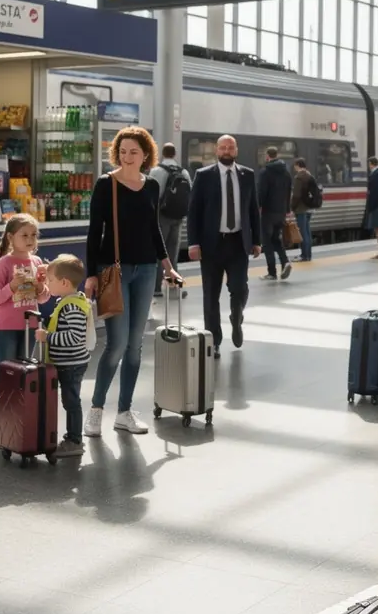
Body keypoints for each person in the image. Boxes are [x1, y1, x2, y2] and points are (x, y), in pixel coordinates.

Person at [83, 126, 183, 437]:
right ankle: (96, 411)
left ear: (145, 155)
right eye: (123, 151)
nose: (127, 157)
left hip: (146, 271)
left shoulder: (152, 186)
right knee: (116, 346)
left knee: (135, 347)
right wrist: (90, 274)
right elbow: (94, 232)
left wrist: (168, 267)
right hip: (115, 271)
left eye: (134, 152)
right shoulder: (105, 184)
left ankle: (124, 412)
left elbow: (155, 230)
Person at [188, 134, 261, 356]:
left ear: (236, 150)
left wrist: (256, 240)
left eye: (230, 147)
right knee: (211, 295)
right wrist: (193, 243)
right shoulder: (203, 176)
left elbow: (253, 210)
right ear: (216, 151)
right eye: (223, 148)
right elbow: (194, 212)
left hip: (238, 243)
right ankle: (214, 341)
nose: (227, 151)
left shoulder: (247, 175)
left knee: (239, 288)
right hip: (211, 245)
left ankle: (236, 317)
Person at [0, 214, 51, 413]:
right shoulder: (4, 264)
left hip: (29, 325)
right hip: (5, 326)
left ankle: (21, 419)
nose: (30, 239)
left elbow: (42, 298)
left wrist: (41, 287)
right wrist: (12, 286)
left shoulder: (37, 261)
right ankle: (5, 419)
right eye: (24, 235)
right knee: (7, 373)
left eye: (34, 235)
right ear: (10, 238)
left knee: (24, 371)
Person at [34, 254, 94, 458]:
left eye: (51, 281)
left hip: (71, 363)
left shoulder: (71, 306)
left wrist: (48, 337)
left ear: (64, 282)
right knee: (69, 400)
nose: (48, 284)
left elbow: (75, 337)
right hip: (66, 362)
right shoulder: (68, 301)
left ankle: (74, 440)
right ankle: (71, 437)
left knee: (71, 402)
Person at [149, 142, 191, 300]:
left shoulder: (156, 171)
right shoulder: (184, 172)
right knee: (173, 253)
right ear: (174, 154)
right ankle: (175, 287)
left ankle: (156, 288)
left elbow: (150, 194)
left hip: (161, 216)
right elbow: (189, 193)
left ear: (163, 154)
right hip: (178, 217)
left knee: (159, 252)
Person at [257, 145, 292, 281]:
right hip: (281, 212)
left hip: (268, 212)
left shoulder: (265, 172)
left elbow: (261, 192)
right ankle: (285, 262)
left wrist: (258, 206)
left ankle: (272, 272)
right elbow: (289, 191)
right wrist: (287, 210)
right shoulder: (286, 172)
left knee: (267, 242)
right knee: (276, 239)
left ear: (267, 156)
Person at [291, 157, 318, 262]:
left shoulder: (299, 177)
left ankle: (304, 256)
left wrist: (292, 207)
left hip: (301, 209)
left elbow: (296, 195)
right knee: (307, 232)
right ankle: (308, 255)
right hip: (309, 208)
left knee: (302, 233)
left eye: (295, 166)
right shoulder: (309, 175)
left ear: (297, 165)